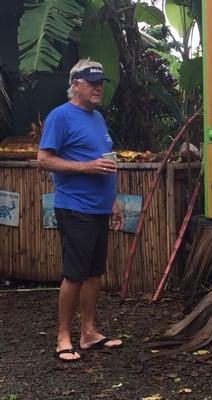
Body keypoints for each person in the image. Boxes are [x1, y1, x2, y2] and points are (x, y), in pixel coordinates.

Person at [38, 59, 124, 362]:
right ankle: (63, 336)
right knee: (74, 274)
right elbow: (44, 160)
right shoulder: (61, 116)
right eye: (92, 83)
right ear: (76, 85)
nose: (98, 88)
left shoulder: (98, 118)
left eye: (101, 83)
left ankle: (88, 333)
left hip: (100, 207)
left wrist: (112, 201)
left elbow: (105, 162)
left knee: (94, 273)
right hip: (75, 207)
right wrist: (86, 167)